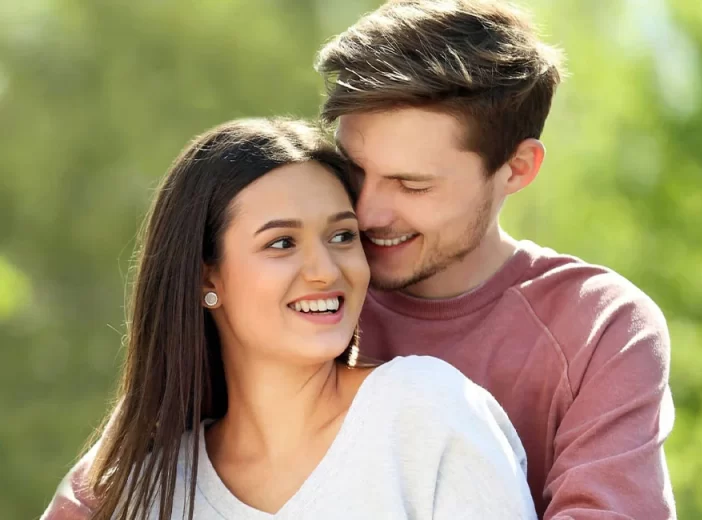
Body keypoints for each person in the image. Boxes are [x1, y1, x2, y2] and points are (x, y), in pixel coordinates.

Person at [48, 1, 676, 518]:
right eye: (355, 170)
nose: (367, 213)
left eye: (412, 185)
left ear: (517, 169)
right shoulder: (304, 297)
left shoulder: (597, 327)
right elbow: (119, 474)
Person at [42, 118, 537, 519]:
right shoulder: (147, 493)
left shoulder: (426, 414)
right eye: (281, 243)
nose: (326, 271)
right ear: (206, 279)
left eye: (342, 237)